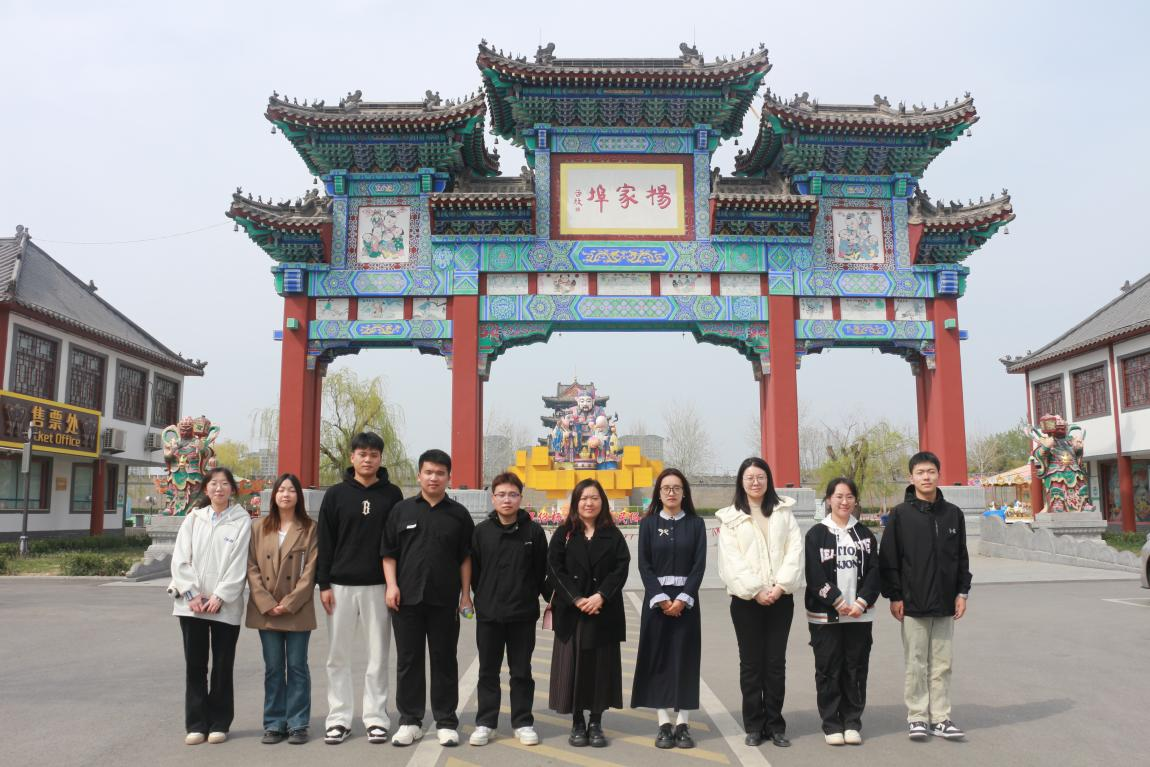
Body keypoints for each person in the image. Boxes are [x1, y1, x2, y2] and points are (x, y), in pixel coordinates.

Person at [383, 449, 475, 748]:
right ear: (419, 475)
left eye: (440, 473)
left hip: (444, 600)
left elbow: (465, 558)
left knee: (444, 660)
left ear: (449, 477)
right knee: (408, 661)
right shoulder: (401, 510)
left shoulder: (458, 515)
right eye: (429, 472)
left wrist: (465, 595)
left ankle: (446, 721)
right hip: (406, 599)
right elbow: (389, 553)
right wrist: (391, 586)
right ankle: (410, 721)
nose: (434, 478)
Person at [315, 432, 403, 746]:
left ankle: (376, 718)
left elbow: (397, 543)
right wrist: (324, 583)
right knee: (337, 656)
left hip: (378, 586)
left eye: (374, 454)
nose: (368, 459)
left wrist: (394, 584)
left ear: (380, 459)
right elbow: (325, 541)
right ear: (352, 457)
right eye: (362, 454)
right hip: (340, 586)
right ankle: (339, 719)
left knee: (377, 656)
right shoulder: (336, 494)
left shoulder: (392, 494)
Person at [880, 451, 971, 742]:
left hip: (945, 601)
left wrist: (962, 592)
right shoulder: (900, 515)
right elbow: (889, 558)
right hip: (913, 602)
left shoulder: (953, 514)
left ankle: (941, 718)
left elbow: (961, 556)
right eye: (920, 472)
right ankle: (918, 717)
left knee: (943, 663)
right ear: (911, 478)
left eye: (931, 472)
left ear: (938, 475)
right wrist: (895, 596)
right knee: (916, 662)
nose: (926, 477)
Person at [716, 457, 803, 748]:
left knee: (775, 663)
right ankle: (754, 725)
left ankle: (775, 725)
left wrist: (780, 587)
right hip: (746, 601)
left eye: (761, 477)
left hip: (781, 598)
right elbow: (731, 561)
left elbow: (794, 551)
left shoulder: (783, 512)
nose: (755, 482)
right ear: (741, 482)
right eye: (750, 478)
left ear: (768, 480)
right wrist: (756, 590)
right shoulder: (730, 518)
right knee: (751, 664)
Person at [167, 467, 253, 745]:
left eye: (225, 484)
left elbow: (239, 563)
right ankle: (196, 724)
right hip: (191, 605)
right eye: (214, 484)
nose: (219, 488)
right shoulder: (194, 519)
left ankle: (219, 723)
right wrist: (192, 593)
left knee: (222, 666)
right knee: (195, 666)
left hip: (224, 607)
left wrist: (220, 596)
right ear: (206, 489)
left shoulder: (241, 521)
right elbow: (180, 558)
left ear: (232, 489)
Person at [547, 478, 630, 749]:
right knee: (573, 669)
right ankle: (577, 722)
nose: (589, 503)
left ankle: (596, 722)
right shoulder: (564, 533)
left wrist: (601, 595)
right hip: (572, 614)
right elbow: (554, 569)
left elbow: (621, 568)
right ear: (576, 502)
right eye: (583, 498)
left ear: (602, 502)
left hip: (603, 612)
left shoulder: (613, 535)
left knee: (599, 669)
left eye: (594, 498)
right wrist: (576, 598)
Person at [468, 472, 549, 747]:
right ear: (493, 498)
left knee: (521, 672)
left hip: (522, 615)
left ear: (520, 498)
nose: (507, 500)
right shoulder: (481, 532)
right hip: (489, 615)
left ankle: (523, 722)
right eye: (501, 494)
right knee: (488, 672)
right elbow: (475, 573)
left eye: (512, 494)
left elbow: (541, 572)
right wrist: (484, 597)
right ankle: (486, 723)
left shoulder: (533, 532)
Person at [631, 468, 706, 749]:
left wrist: (683, 598)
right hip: (656, 602)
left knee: (686, 659)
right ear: (659, 493)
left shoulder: (696, 524)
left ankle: (683, 723)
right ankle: (663, 722)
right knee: (659, 659)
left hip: (687, 603)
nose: (671, 492)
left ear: (684, 492)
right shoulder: (648, 524)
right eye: (666, 488)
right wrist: (661, 598)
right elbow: (644, 565)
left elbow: (699, 565)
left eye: (676, 488)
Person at [804, 477, 880, 746]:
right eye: (838, 496)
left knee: (855, 668)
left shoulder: (865, 535)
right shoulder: (816, 535)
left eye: (849, 497)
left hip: (859, 616)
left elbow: (875, 572)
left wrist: (861, 602)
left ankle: (852, 722)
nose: (844, 502)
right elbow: (814, 575)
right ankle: (831, 723)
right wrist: (836, 600)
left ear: (855, 500)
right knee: (828, 669)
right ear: (828, 500)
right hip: (826, 616)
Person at [246, 473, 319, 745]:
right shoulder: (259, 527)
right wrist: (267, 603)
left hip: (297, 609)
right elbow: (251, 567)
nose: (285, 494)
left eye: (291, 490)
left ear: (298, 496)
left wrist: (288, 603)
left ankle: (298, 723)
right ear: (273, 495)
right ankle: (274, 722)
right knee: (273, 668)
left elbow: (311, 570)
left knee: (297, 667)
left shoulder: (309, 528)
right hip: (265, 609)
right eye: (281, 490)